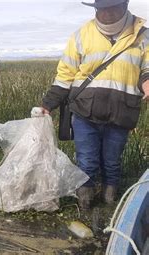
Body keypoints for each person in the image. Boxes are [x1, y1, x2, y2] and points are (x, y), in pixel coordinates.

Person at [41, 0, 148, 210]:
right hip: (84, 112)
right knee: (87, 161)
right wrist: (47, 104)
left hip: (122, 112)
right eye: (102, 8)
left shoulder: (142, 34)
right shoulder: (81, 35)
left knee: (112, 162)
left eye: (113, 8)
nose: (107, 13)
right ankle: (86, 204)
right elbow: (65, 76)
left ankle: (110, 203)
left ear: (125, 6)